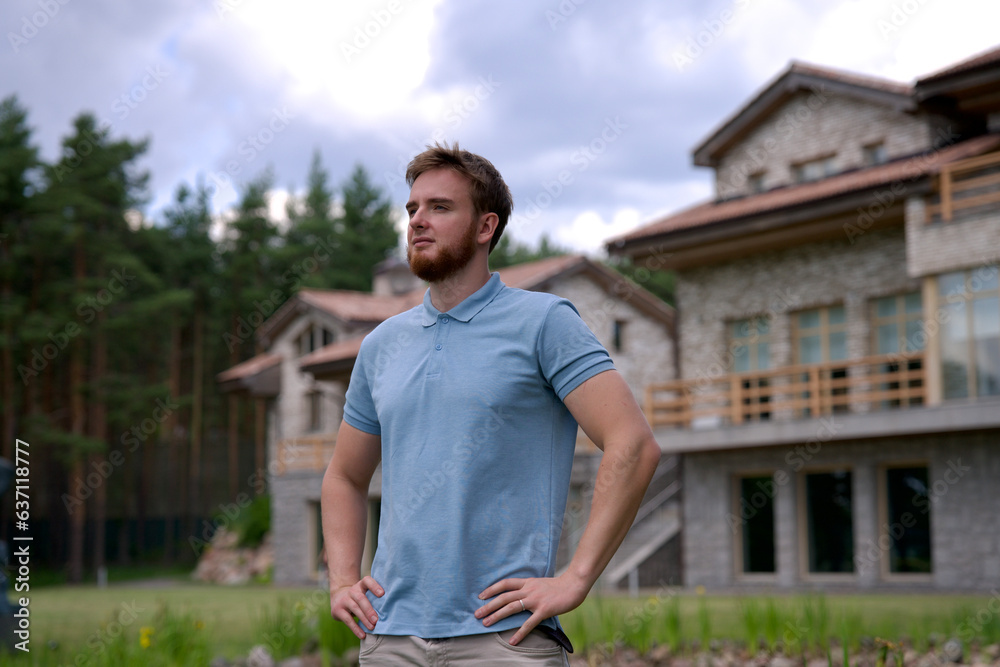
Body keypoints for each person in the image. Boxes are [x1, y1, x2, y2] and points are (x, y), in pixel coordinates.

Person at [321, 143, 661, 665]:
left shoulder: (544, 323)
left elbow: (632, 445)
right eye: (412, 208)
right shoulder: (380, 346)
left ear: (485, 227)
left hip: (502, 640)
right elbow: (344, 477)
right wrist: (343, 580)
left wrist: (576, 577)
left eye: (439, 207)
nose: (417, 220)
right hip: (390, 639)